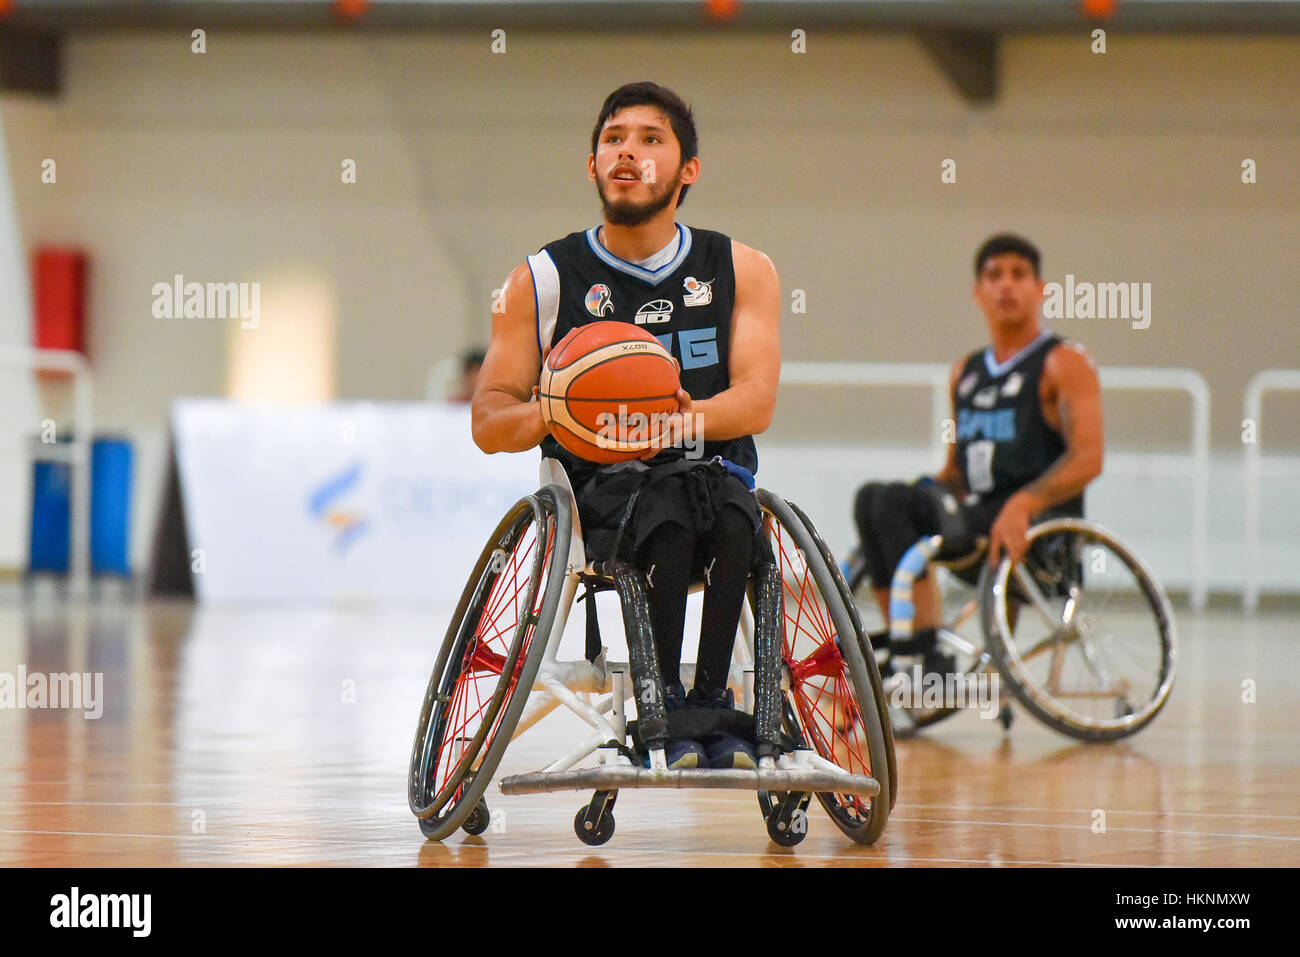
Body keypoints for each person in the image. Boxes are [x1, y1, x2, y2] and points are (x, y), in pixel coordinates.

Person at [471, 82, 781, 770]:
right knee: (670, 504)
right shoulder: (542, 280)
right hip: (602, 495)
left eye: (650, 139)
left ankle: (713, 702)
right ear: (592, 165)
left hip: (715, 478)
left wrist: (660, 420)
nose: (627, 153)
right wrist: (556, 411)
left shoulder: (741, 269)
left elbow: (756, 401)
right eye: (613, 139)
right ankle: (662, 699)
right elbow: (489, 420)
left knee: (733, 513)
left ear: (687, 169)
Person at [853, 234, 1104, 669]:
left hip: (1040, 532)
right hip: (978, 525)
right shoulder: (965, 373)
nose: (1006, 285)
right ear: (977, 293)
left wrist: (1025, 502)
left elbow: (1089, 456)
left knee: (890, 504)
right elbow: (957, 473)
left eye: (1019, 275)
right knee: (875, 500)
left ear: (1040, 289)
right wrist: (929, 488)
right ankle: (915, 648)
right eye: (994, 276)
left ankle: (923, 656)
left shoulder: (1063, 362)